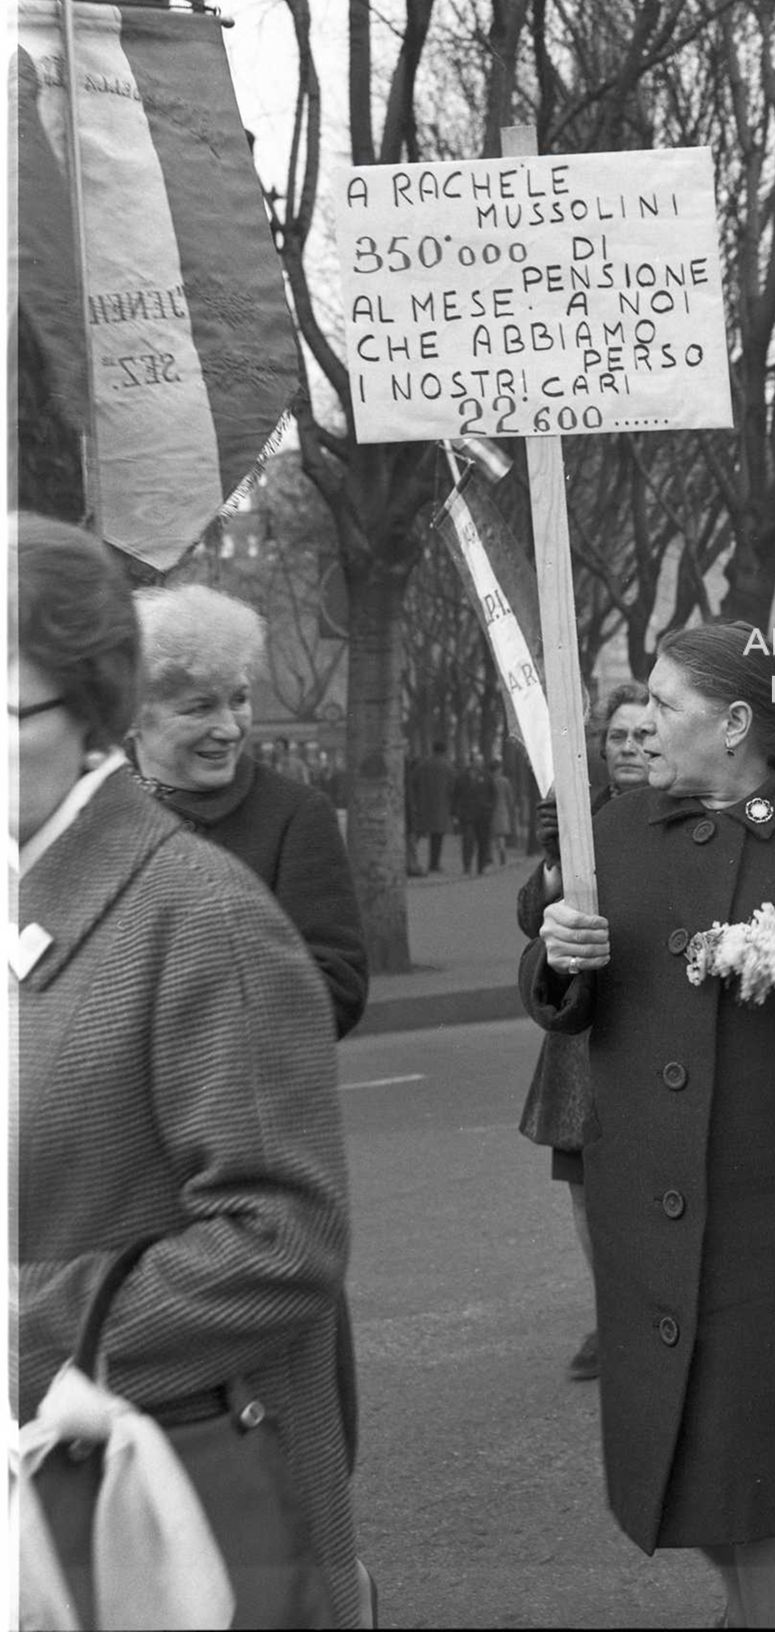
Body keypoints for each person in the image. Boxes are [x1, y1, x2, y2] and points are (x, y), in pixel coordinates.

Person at [522, 627, 775, 1627]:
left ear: (736, 723)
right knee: (678, 1448)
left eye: (666, 705)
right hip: (643, 1203)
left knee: (770, 1468)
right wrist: (556, 957)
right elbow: (568, 1001)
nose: (642, 723)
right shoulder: (610, 832)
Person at [11, 515, 358, 1623]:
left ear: (92, 706)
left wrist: (29, 1331)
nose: (225, 727)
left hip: (158, 1521)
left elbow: (282, 1241)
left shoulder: (204, 916)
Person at [128, 584, 368, 1039]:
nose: (229, 728)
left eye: (238, 700)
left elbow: (337, 990)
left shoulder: (294, 816)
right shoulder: (85, 807)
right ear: (135, 714)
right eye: (200, 707)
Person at [517, 680, 648, 1382]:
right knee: (582, 1182)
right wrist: (553, 864)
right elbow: (528, 919)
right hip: (580, 1032)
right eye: (616, 737)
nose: (628, 748)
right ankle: (612, 1313)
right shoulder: (578, 815)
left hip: (647, 1021)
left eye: (641, 735)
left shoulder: (678, 810)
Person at [408, 739, 455, 872]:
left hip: (422, 805)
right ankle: (434, 863)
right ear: (444, 750)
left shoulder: (422, 765)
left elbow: (413, 782)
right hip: (441, 806)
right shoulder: (448, 767)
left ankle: (411, 860)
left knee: (416, 835)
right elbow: (452, 788)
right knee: (437, 837)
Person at [454, 753, 495, 874]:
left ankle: (480, 867)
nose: (479, 764)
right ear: (472, 762)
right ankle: (467, 865)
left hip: (483, 814)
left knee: (483, 841)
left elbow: (493, 794)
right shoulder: (462, 776)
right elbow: (456, 794)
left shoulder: (487, 776)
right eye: (477, 761)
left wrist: (490, 808)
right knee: (468, 840)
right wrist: (455, 813)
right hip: (467, 814)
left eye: (480, 762)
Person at [489, 754, 518, 866]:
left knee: (491, 836)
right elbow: (510, 797)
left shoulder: (490, 780)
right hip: (502, 811)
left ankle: (491, 856)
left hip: (491, 811)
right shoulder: (504, 781)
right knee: (501, 836)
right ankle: (502, 855)